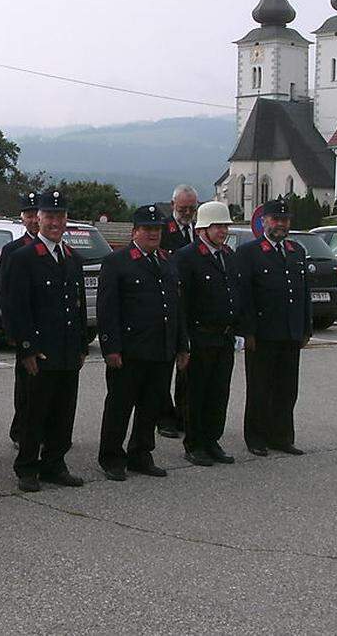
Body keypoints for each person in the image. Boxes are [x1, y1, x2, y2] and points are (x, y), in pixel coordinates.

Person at [96, 204, 189, 481]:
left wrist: (182, 345)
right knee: (119, 407)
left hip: (161, 348)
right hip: (130, 350)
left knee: (151, 407)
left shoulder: (167, 261)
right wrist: (110, 347)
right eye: (147, 229)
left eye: (157, 229)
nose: (153, 234)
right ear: (134, 231)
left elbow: (176, 306)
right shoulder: (117, 262)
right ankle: (111, 456)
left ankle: (141, 453)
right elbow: (107, 309)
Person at [5, 188, 88, 492]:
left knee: (63, 411)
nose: (55, 222)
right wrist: (26, 348)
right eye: (49, 216)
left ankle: (55, 463)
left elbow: (77, 305)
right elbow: (17, 307)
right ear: (37, 218)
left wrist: (81, 345)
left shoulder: (71, 257)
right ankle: (27, 467)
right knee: (33, 412)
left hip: (67, 349)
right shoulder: (24, 257)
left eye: (60, 216)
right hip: (40, 351)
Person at [235, 197, 311, 457]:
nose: (280, 224)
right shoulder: (249, 253)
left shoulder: (295, 250)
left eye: (285, 220)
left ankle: (281, 436)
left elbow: (304, 293)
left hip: (291, 331)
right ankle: (256, 437)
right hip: (263, 333)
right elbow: (244, 296)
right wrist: (248, 331)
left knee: (287, 388)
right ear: (264, 221)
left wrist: (306, 328)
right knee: (259, 387)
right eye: (275, 219)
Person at [174, 201, 243, 467]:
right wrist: (184, 341)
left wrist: (237, 328)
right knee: (196, 393)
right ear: (204, 228)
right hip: (200, 335)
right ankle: (194, 443)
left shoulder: (228, 255)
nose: (223, 231)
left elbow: (233, 292)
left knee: (219, 391)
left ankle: (212, 439)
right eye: (218, 226)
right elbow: (183, 303)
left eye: (225, 225)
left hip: (224, 336)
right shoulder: (187, 257)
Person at [0, 191, 40, 448]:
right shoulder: (13, 250)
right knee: (25, 387)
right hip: (26, 327)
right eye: (29, 214)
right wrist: (12, 331)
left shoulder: (56, 247)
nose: (35, 219)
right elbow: (7, 292)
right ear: (22, 218)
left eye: (38, 213)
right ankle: (20, 430)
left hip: (49, 328)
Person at [157, 184, 199, 439]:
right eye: (183, 208)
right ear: (173, 205)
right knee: (163, 368)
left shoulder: (198, 229)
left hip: (191, 309)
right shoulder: (162, 230)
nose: (187, 213)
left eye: (192, 208)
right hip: (168, 307)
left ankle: (184, 414)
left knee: (187, 367)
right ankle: (163, 418)